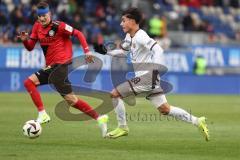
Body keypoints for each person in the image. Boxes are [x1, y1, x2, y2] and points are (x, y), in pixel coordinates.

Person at [94, 8, 209, 141]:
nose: (121, 24)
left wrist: (156, 70)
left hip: (148, 76)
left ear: (132, 21)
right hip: (148, 78)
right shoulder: (128, 37)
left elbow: (158, 50)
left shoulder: (141, 36)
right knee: (165, 109)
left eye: (123, 20)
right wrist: (105, 52)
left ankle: (123, 127)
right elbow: (123, 53)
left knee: (114, 94)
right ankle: (197, 121)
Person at [17, 1, 108, 137]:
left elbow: (78, 34)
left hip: (60, 65)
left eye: (44, 15)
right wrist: (25, 40)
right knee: (72, 101)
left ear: (50, 14)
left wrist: (87, 51)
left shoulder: (59, 26)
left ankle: (42, 114)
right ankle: (99, 118)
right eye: (39, 16)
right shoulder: (37, 27)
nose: (42, 18)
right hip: (55, 68)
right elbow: (30, 47)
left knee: (28, 82)